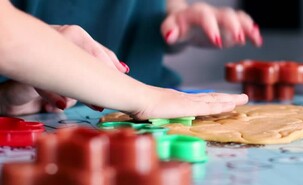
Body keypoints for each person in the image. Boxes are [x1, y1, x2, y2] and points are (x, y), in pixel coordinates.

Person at [0, 0, 263, 119]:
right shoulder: (147, 98)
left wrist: (179, 15)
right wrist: (145, 97)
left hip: (160, 110)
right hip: (25, 114)